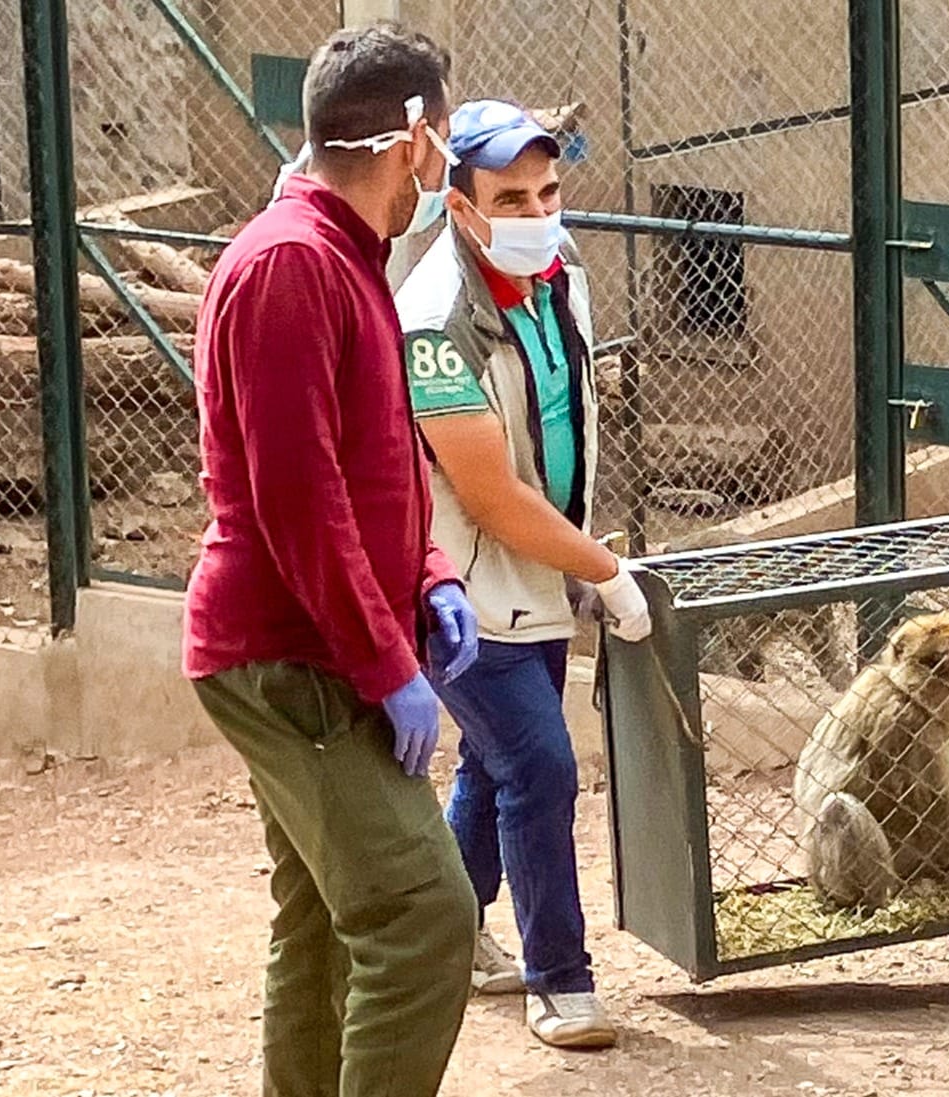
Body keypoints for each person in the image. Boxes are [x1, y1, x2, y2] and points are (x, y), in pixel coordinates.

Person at [183, 23, 482, 1096]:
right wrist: (386, 663)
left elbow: (372, 462)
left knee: (321, 920)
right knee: (423, 914)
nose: (440, 169)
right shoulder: (292, 265)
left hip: (318, 643)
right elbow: (298, 497)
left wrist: (430, 575)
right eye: (440, 142)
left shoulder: (339, 257)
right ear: (410, 141)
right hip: (291, 652)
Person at [394, 99, 652, 1050]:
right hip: (461, 591)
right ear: (461, 207)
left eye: (548, 191)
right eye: (511, 198)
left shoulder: (560, 272)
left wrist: (574, 557)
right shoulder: (433, 321)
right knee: (539, 764)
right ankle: (560, 978)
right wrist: (607, 571)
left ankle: (444, 933)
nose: (538, 212)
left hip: (541, 571)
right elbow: (492, 497)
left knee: (496, 760)